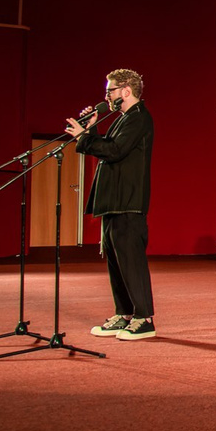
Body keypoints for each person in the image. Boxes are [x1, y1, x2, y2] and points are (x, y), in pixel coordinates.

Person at [71, 68, 157, 342]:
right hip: (115, 202)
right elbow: (109, 145)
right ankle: (125, 313)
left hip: (128, 203)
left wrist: (83, 138)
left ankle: (144, 319)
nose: (106, 96)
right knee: (116, 263)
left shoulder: (139, 118)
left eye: (110, 90)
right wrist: (90, 129)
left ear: (126, 91)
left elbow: (114, 151)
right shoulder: (123, 119)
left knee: (131, 262)